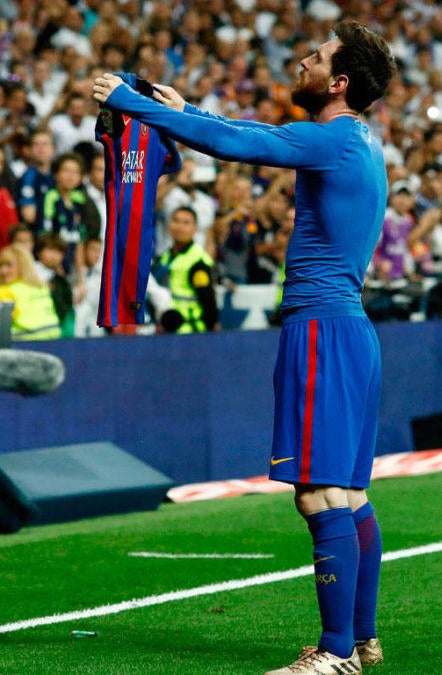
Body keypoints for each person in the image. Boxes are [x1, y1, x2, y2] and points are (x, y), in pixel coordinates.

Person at [93, 20, 396, 674]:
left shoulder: (335, 139)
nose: (302, 62)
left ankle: (335, 653)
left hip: (322, 328)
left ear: (338, 82)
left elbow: (241, 142)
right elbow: (248, 133)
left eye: (315, 58)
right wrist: (186, 111)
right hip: (352, 329)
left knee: (319, 495)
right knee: (349, 493)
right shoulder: (362, 142)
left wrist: (131, 102)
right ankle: (363, 640)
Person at [154, 206, 218, 334]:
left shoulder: (198, 261)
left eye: (186, 223)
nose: (179, 227)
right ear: (169, 225)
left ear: (195, 229)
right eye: (176, 221)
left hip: (190, 332)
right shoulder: (164, 258)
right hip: (167, 329)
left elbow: (208, 302)